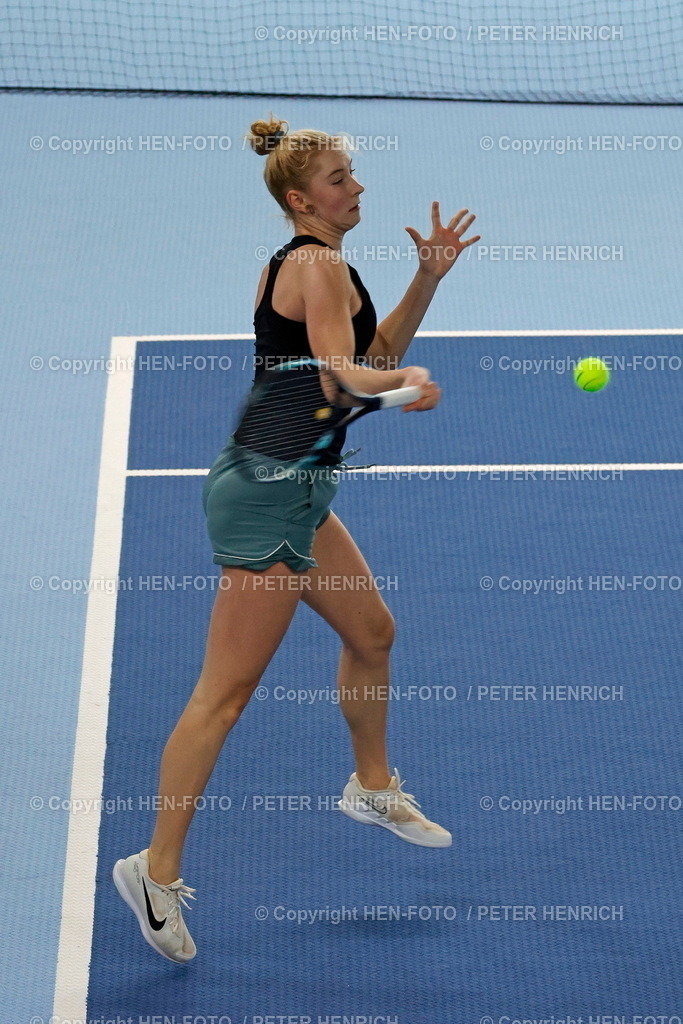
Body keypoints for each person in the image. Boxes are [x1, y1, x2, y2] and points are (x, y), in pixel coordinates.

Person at [113, 116, 480, 964]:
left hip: (299, 488)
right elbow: (342, 379)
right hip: (268, 498)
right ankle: (154, 870)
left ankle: (371, 787)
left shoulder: (330, 266)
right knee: (224, 696)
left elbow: (370, 351)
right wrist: (401, 390)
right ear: (299, 198)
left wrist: (425, 282)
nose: (357, 189)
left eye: (353, 176)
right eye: (342, 179)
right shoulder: (311, 266)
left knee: (372, 633)